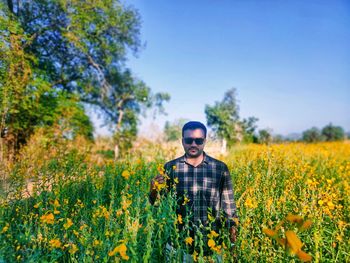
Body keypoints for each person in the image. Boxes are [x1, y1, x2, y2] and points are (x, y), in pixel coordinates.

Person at [150, 121, 238, 258]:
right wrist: (154, 189)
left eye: (198, 140)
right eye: (189, 140)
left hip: (212, 245)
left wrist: (232, 244)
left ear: (205, 141)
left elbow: (229, 209)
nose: (193, 144)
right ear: (182, 141)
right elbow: (157, 204)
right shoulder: (170, 167)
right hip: (178, 245)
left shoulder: (220, 168)